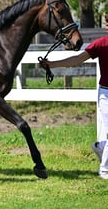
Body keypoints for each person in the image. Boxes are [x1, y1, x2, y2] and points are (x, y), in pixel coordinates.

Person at [40, 35, 108, 180]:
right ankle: (105, 169)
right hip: (106, 94)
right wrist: (51, 64)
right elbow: (76, 60)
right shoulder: (101, 44)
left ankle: (100, 146)